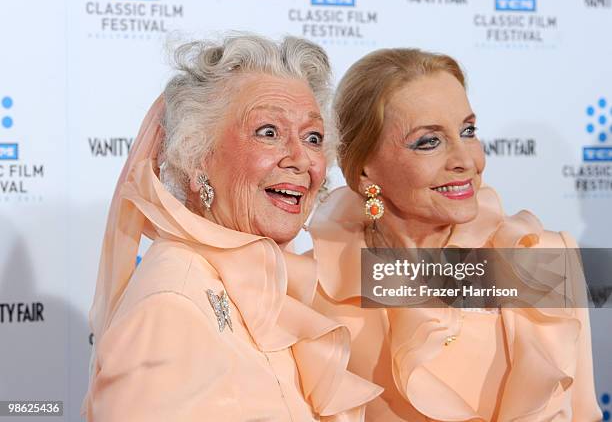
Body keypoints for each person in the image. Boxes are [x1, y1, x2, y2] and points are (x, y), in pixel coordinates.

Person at [81, 34, 381, 421]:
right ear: (197, 156)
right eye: (268, 132)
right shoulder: (172, 303)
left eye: (313, 137)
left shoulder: (274, 279)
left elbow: (436, 281)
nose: (301, 159)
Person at [308, 48, 602, 421]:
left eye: (468, 131)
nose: (466, 159)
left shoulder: (540, 258)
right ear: (365, 171)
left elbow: (583, 411)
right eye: (429, 142)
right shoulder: (317, 291)